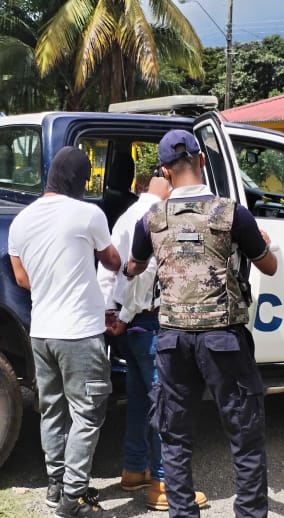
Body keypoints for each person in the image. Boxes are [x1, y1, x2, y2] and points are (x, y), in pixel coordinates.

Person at [126, 129, 279, 518]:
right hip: (224, 339)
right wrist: (261, 241)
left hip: (173, 341)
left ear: (165, 171)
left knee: (175, 438)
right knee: (245, 436)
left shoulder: (151, 219)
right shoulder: (232, 213)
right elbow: (269, 266)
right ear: (203, 161)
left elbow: (133, 268)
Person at [9, 146, 121, 518]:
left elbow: (21, 278)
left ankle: (56, 485)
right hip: (79, 333)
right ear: (80, 180)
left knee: (52, 412)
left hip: (41, 332)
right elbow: (112, 260)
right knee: (87, 415)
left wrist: (52, 283)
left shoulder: (21, 221)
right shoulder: (88, 214)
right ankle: (73, 499)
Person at [98, 167, 210, 512]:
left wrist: (112, 312)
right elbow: (144, 273)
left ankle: (134, 469)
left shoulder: (126, 216)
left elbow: (109, 271)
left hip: (129, 326)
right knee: (166, 405)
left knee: (139, 401)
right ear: (164, 183)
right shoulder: (157, 216)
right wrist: (126, 315)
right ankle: (164, 485)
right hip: (149, 321)